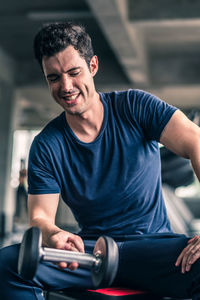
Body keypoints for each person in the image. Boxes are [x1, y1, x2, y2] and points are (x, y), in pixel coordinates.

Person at [0, 21, 200, 300]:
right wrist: (53, 234)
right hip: (90, 255)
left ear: (93, 66)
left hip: (154, 249)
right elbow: (40, 217)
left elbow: (195, 141)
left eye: (73, 72)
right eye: (54, 78)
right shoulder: (47, 145)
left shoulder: (135, 106)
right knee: (8, 264)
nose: (66, 86)